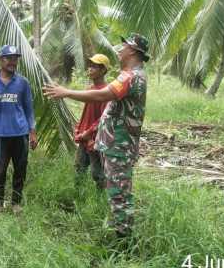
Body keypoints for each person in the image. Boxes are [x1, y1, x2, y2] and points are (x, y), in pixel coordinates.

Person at [44, 34, 149, 238]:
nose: (119, 49)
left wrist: (65, 92)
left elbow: (103, 95)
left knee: (120, 191)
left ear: (133, 51)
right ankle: (119, 228)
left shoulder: (131, 76)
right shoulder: (130, 74)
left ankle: (124, 243)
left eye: (124, 46)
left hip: (119, 144)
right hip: (116, 142)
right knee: (116, 188)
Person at [0, 45, 38, 213]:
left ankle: (16, 203)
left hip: (20, 135)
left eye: (15, 59)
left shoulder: (23, 83)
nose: (13, 62)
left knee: (20, 169)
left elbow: (29, 109)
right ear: (1, 60)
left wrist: (32, 132)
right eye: (9, 58)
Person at [74, 54, 111, 189]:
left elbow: (103, 119)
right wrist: (79, 129)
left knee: (98, 173)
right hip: (84, 137)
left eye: (94, 67)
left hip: (96, 139)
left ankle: (101, 201)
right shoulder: (90, 89)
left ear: (103, 70)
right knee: (79, 168)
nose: (90, 69)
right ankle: (78, 197)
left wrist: (88, 133)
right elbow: (86, 113)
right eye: (90, 66)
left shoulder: (105, 92)